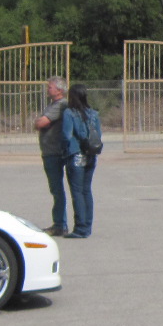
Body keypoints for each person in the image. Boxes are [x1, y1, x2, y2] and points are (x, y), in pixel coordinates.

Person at [61, 83, 99, 239]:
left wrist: (63, 151)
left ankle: (80, 227)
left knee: (77, 192)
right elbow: (98, 135)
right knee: (86, 190)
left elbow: (66, 135)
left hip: (76, 154)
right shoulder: (93, 114)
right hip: (91, 155)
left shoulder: (69, 113)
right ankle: (87, 225)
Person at [34, 75, 70, 237]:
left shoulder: (60, 105)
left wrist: (38, 122)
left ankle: (60, 224)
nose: (48, 89)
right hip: (50, 151)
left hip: (54, 152)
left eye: (50, 87)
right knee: (56, 189)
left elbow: (41, 122)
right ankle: (60, 223)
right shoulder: (54, 105)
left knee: (57, 189)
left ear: (59, 90)